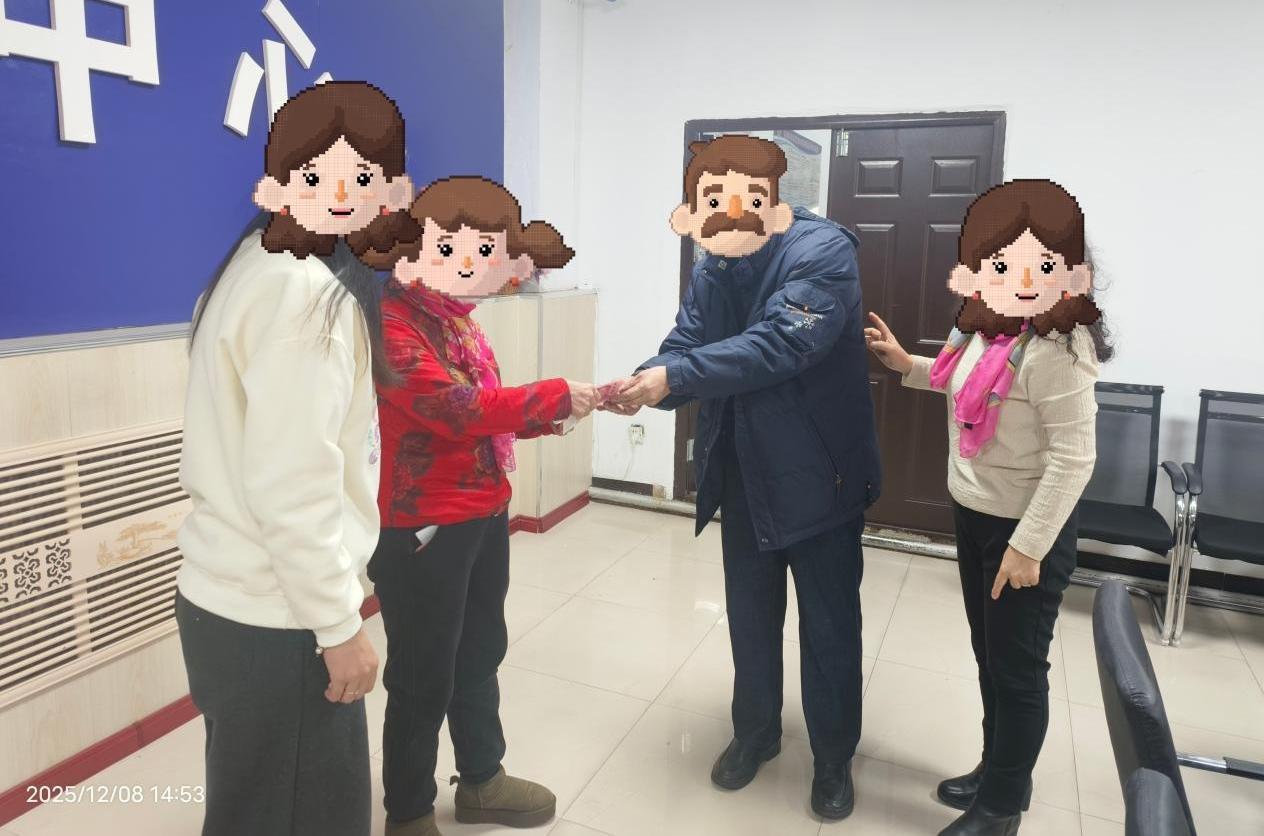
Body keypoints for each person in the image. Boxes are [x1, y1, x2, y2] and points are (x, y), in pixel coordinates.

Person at [605, 135, 881, 821]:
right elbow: (687, 341)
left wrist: (677, 375)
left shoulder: (823, 252)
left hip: (821, 478)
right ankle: (755, 732)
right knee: (751, 619)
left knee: (829, 629)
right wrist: (646, 381)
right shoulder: (715, 263)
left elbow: (781, 343)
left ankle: (833, 758)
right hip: (744, 473)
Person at [176, 81, 417, 836]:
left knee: (252, 804)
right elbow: (293, 489)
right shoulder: (303, 294)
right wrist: (338, 627)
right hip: (280, 620)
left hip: (234, 603)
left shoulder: (253, 266)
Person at [866, 179, 1106, 836]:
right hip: (976, 514)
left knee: (1018, 672)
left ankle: (1000, 809)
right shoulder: (986, 322)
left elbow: (1074, 459)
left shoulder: (1062, 347)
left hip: (1025, 532)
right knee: (989, 657)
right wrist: (906, 364)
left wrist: (1028, 548)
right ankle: (996, 771)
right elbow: (960, 383)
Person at [365, 176, 600, 836]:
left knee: (479, 652)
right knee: (423, 674)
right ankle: (409, 811)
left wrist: (553, 415)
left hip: (482, 512)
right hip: (421, 527)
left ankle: (482, 780)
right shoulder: (391, 324)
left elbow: (486, 417)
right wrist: (551, 396)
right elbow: (455, 409)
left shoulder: (457, 320)